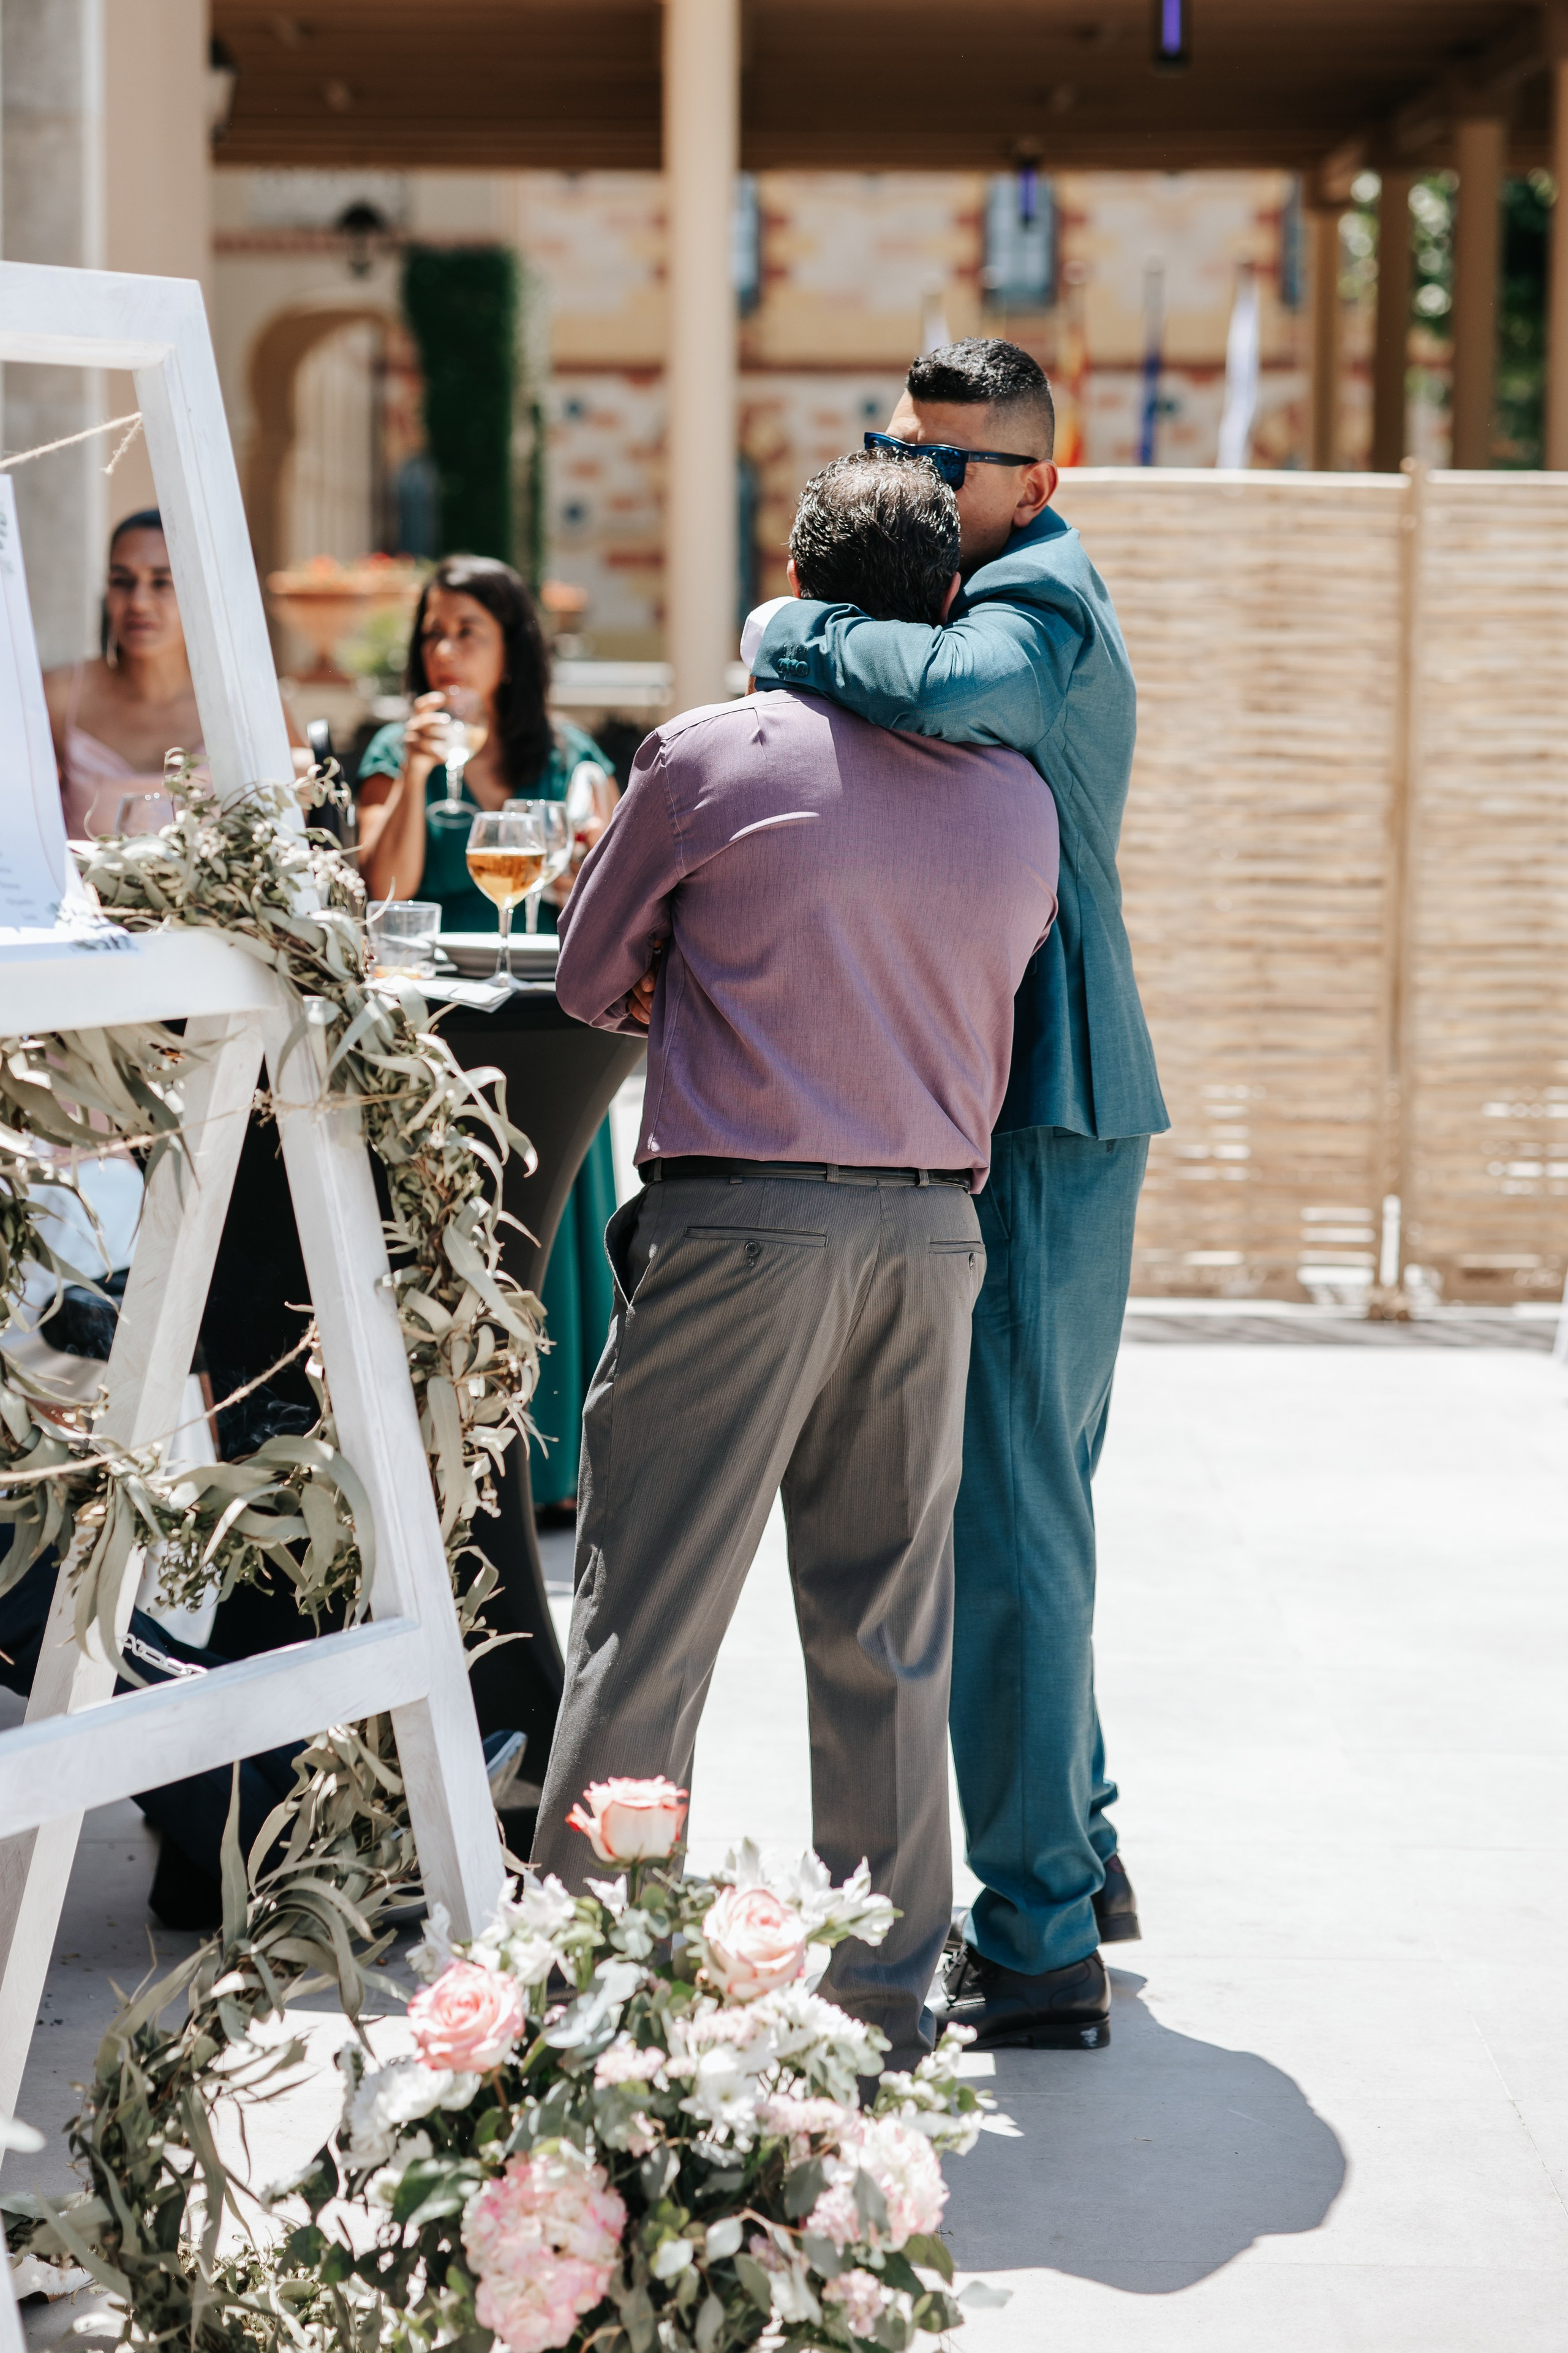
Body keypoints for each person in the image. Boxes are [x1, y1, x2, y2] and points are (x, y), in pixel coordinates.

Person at [530, 450, 1059, 2069]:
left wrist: (695, 973)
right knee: (890, 1631)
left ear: (802, 586)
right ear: (944, 607)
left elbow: (581, 977)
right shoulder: (1018, 803)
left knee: (651, 1622)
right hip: (931, 1238)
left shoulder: (708, 754)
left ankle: (596, 2002)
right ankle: (883, 2014)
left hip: (742, 1221)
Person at [747, 339, 1168, 2052]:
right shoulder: (973, 570)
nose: (918, 485)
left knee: (1009, 1513)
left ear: (1037, 482)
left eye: (954, 465)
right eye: (891, 451)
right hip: (1015, 1100)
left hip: (1049, 1110)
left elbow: (950, 698)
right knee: (1030, 1495)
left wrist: (782, 634)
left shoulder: (1040, 595)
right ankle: (1082, 1845)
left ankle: (1045, 1937)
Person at [357, 556, 619, 1516]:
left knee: (546, 1219)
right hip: (434, 1031)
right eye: (433, 631)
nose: (445, 650)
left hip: (546, 1023)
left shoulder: (566, 755)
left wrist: (583, 867)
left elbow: (599, 858)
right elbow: (381, 890)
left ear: (514, 648)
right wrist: (423, 766)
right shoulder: (397, 747)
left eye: (468, 630)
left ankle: (547, 1473)